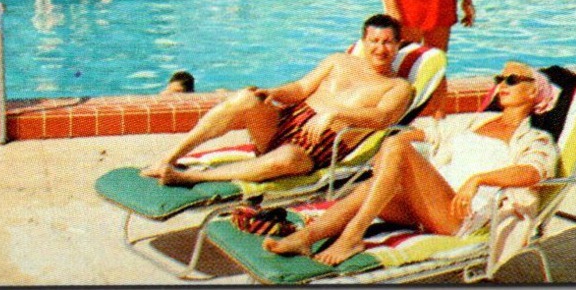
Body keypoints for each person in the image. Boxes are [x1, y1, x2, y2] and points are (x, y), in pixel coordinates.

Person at [262, 60, 561, 268]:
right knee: (378, 176)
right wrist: (397, 144)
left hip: (461, 215)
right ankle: (306, 237)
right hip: (430, 204)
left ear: (533, 91)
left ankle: (352, 236)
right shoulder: (479, 121)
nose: (502, 84)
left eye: (512, 80)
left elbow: (533, 172)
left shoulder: (535, 138)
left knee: (398, 148)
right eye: (499, 79)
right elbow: (434, 133)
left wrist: (478, 180)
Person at [139, 15, 414, 187]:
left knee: (287, 157)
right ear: (363, 42)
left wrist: (336, 114)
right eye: (374, 41)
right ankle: (168, 158)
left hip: (313, 151)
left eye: (388, 42)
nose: (380, 48)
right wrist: (272, 93)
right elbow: (301, 87)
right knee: (246, 98)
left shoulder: (398, 87)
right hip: (284, 124)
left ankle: (189, 177)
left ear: (399, 44)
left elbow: (383, 118)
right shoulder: (338, 61)